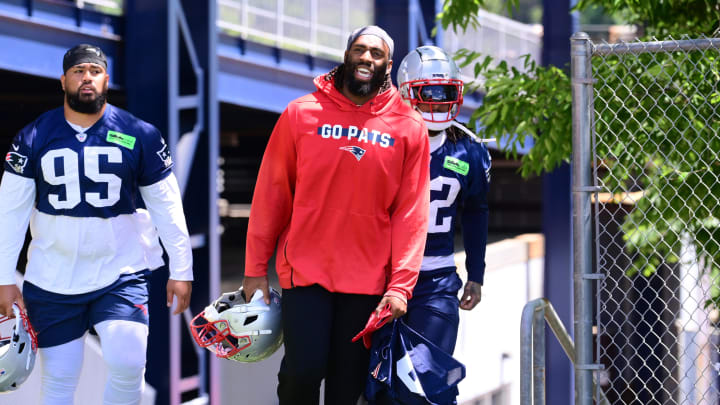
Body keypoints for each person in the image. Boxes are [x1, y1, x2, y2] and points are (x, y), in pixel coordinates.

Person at [242, 25, 431, 405]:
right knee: (303, 372)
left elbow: (411, 214)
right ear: (347, 55)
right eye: (359, 50)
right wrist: (254, 269)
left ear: (388, 65)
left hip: (366, 282)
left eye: (376, 54)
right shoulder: (301, 114)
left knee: (347, 389)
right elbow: (271, 196)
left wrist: (400, 286)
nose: (366, 59)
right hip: (305, 272)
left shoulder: (409, 127)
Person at [0, 43, 193, 404]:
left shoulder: (140, 133)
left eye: (94, 71)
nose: (86, 78)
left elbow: (166, 204)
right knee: (59, 378)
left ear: (107, 79)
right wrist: (3, 277)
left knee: (129, 360)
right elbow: (9, 211)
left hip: (120, 271)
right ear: (63, 81)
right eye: (78, 71)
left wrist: (182, 268)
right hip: (53, 276)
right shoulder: (33, 137)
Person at [384, 44, 492, 403]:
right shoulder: (383, 142)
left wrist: (476, 273)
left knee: (429, 384)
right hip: (378, 276)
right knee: (377, 385)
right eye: (427, 92)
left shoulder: (468, 152)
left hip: (436, 279)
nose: (437, 101)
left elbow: (476, 212)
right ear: (405, 93)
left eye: (445, 92)